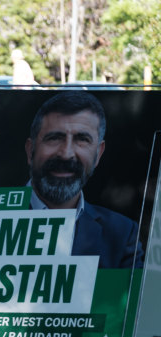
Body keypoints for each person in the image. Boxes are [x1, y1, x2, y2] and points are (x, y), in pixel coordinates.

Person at [25, 91, 143, 268]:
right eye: (54, 138)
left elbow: (134, 295)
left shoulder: (123, 234)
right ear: (30, 150)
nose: (66, 154)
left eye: (82, 139)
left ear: (98, 154)